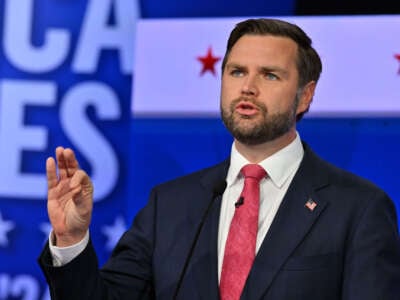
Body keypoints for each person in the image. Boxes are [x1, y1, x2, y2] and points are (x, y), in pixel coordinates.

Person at [39, 18, 400, 299]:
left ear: (305, 96)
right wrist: (71, 238)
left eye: (270, 75)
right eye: (237, 71)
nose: (248, 87)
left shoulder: (359, 209)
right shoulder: (170, 204)